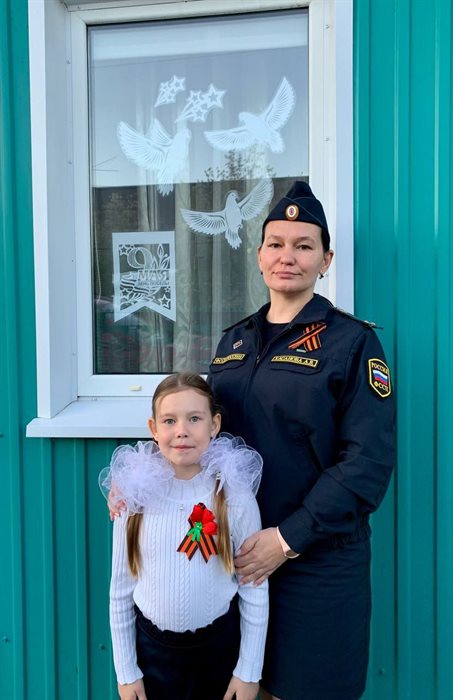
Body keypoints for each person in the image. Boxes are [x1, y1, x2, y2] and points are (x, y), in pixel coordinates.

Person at [208, 181, 395, 700]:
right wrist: (143, 483)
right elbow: (204, 437)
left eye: (303, 245)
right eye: (275, 243)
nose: (286, 256)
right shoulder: (233, 342)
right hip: (239, 557)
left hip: (318, 564)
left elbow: (367, 464)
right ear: (259, 255)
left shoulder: (352, 342)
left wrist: (286, 540)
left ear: (325, 260)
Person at [100, 372, 268, 700]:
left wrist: (248, 671)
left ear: (214, 425)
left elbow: (254, 588)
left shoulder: (234, 495)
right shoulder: (134, 496)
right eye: (169, 420)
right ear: (153, 429)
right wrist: (126, 672)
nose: (182, 431)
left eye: (194, 418)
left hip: (219, 651)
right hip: (153, 655)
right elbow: (120, 592)